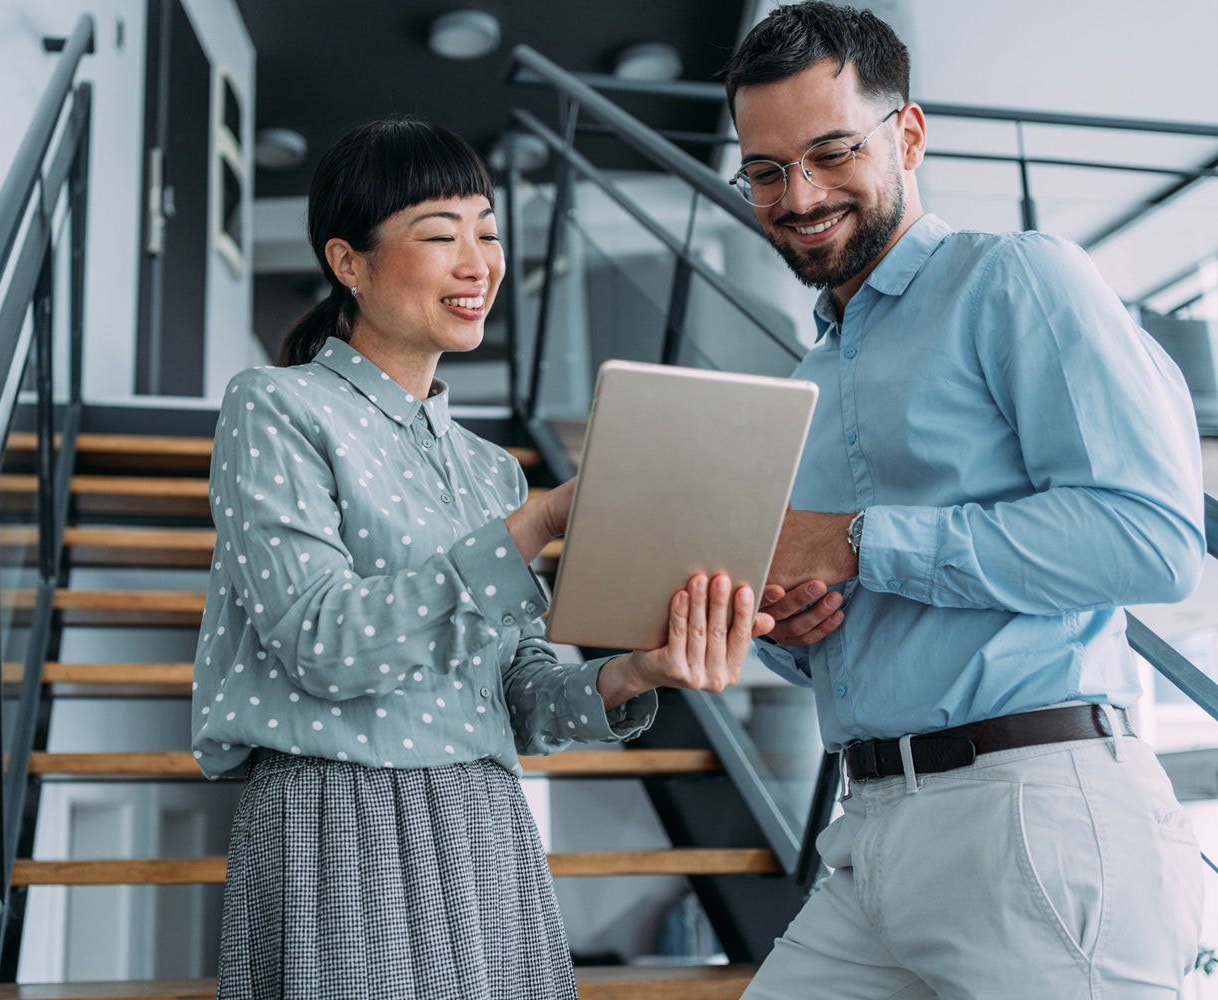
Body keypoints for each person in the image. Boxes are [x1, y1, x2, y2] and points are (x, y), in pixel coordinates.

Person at [189, 118, 834, 1000]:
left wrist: (638, 671)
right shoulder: (277, 407)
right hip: (339, 820)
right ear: (348, 262)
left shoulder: (490, 468)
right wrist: (534, 527)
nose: (477, 262)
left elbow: (521, 698)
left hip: (488, 829)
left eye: (487, 233)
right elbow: (322, 644)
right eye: (439, 234)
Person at [720, 4, 1209, 998]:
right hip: (866, 830)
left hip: (1035, 810)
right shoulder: (803, 380)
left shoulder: (1018, 279)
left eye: (829, 152)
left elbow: (1152, 538)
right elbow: (828, 613)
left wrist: (861, 543)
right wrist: (785, 624)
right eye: (766, 171)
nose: (798, 195)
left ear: (907, 134)